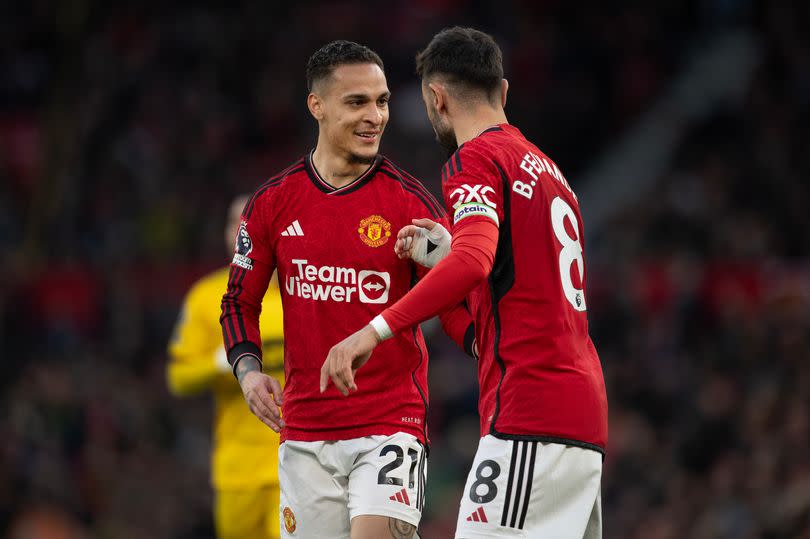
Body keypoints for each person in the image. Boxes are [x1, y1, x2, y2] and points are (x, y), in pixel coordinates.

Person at [321, 27, 608, 538]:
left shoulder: (475, 159)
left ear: (437, 98)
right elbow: (496, 309)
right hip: (580, 418)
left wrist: (374, 330)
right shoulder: (550, 174)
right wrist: (442, 257)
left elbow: (475, 261)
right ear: (503, 91)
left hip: (529, 416)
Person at [220, 40, 475, 539]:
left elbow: (455, 297)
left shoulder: (408, 202)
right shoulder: (273, 202)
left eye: (381, 102)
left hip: (390, 423)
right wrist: (248, 373)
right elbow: (238, 302)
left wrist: (448, 264)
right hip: (305, 431)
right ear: (317, 105)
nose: (375, 116)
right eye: (357, 102)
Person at [168, 195, 285, 539]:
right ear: (226, 234)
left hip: (296, 455)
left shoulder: (301, 289)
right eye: (237, 225)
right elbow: (178, 378)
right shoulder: (206, 298)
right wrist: (219, 364)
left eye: (254, 224)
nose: (244, 232)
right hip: (237, 467)